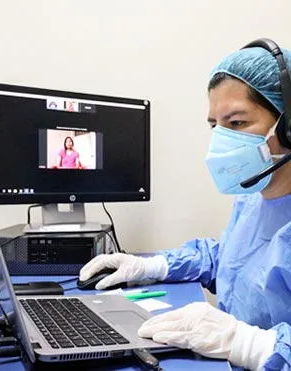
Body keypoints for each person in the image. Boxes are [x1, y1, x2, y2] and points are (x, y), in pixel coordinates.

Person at [79, 41, 291, 370]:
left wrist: (253, 345)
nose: (222, 139)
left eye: (236, 123)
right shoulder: (253, 195)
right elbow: (231, 259)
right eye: (214, 125)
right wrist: (151, 267)